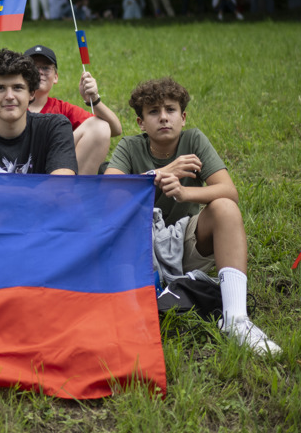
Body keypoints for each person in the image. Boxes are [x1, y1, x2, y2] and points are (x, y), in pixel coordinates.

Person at [104, 77, 280, 356]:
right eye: (153, 112)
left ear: (183, 117)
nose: (163, 118)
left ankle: (236, 319)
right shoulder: (129, 146)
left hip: (185, 237)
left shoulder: (194, 139)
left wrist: (185, 195)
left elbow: (229, 191)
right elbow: (108, 193)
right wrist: (160, 175)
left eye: (170, 110)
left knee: (225, 207)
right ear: (140, 123)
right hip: (139, 243)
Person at [0, 45, 121, 175]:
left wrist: (94, 100)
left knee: (99, 126)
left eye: (46, 68)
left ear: (31, 91)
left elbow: (113, 129)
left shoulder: (59, 119)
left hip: (52, 173)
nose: (9, 96)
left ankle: (81, 197)